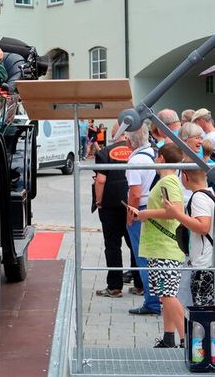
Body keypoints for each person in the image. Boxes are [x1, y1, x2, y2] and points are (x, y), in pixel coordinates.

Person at [126, 143, 185, 348]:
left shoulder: (167, 182)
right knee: (165, 293)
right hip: (161, 247)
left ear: (160, 158)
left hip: (164, 248)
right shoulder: (168, 180)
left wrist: (145, 214)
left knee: (167, 294)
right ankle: (169, 337)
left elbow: (174, 211)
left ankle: (186, 339)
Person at [93, 122, 138, 298]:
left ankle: (114, 287)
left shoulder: (104, 153)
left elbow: (100, 180)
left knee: (112, 246)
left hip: (110, 206)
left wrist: (98, 201)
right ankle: (140, 284)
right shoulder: (137, 151)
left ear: (114, 134)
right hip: (132, 204)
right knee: (134, 244)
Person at [164, 158, 215, 307]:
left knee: (202, 311)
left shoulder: (198, 197)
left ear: (185, 176)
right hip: (207, 261)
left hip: (204, 265)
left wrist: (176, 214)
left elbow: (203, 226)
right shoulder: (209, 194)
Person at [125, 124, 161, 315]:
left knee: (143, 258)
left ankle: (152, 303)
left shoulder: (135, 161)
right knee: (154, 257)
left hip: (141, 211)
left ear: (130, 141)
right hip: (155, 208)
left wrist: (130, 216)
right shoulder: (152, 153)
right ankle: (159, 299)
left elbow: (135, 195)